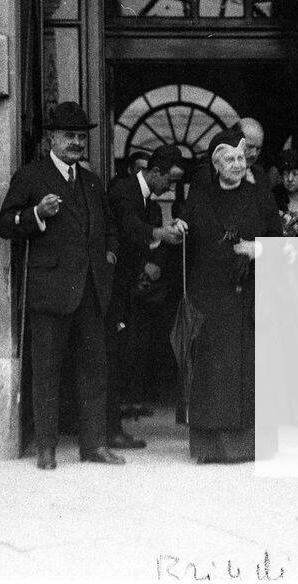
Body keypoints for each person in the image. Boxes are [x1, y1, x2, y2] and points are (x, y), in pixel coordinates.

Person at [0, 101, 124, 470]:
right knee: (47, 371)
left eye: (81, 137)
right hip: (50, 290)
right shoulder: (31, 177)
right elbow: (4, 223)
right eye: (69, 136)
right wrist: (37, 214)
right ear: (52, 137)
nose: (77, 143)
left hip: (91, 289)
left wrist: (110, 256)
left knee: (93, 369)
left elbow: (110, 228)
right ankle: (46, 449)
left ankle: (93, 446)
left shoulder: (92, 181)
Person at [181, 127, 282, 462]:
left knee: (246, 370)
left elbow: (280, 244)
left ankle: (245, 448)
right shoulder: (200, 196)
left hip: (248, 297)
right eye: (231, 158)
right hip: (209, 297)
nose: (239, 164)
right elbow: (192, 237)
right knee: (212, 372)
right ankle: (210, 449)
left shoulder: (261, 197)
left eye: (242, 157)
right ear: (216, 164)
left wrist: (257, 248)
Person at [106, 145, 186, 448]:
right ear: (154, 173)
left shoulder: (142, 196)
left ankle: (112, 428)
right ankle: (109, 429)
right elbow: (128, 228)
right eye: (170, 180)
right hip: (113, 288)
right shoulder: (125, 191)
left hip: (123, 287)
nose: (171, 187)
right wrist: (159, 234)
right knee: (111, 357)